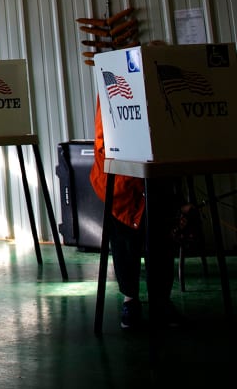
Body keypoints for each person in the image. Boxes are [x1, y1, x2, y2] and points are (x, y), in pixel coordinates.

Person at [90, 95, 182, 329]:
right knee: (123, 241)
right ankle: (130, 299)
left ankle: (161, 300)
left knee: (161, 237)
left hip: (156, 168)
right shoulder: (113, 80)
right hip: (119, 176)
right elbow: (104, 136)